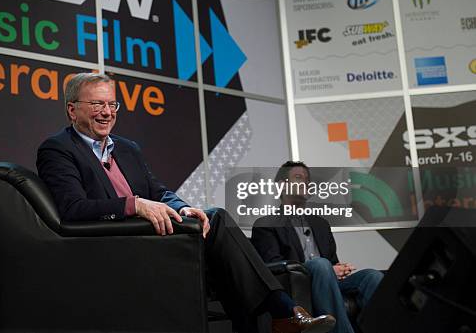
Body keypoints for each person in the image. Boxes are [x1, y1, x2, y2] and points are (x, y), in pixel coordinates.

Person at [36, 73, 335, 333]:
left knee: (215, 237)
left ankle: (278, 315)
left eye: (112, 104)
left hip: (155, 237)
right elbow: (72, 210)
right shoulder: (58, 149)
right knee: (217, 221)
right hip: (116, 246)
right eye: (97, 104)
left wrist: (181, 207)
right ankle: (284, 312)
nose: (106, 112)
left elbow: (160, 191)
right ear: (72, 110)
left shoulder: (127, 148)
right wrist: (134, 205)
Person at [251, 162, 384, 333]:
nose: (305, 183)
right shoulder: (266, 224)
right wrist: (321, 268)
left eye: (307, 180)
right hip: (298, 287)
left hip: (328, 282)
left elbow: (332, 261)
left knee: (372, 276)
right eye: (298, 178)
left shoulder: (320, 223)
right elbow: (274, 268)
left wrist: (339, 269)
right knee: (320, 264)